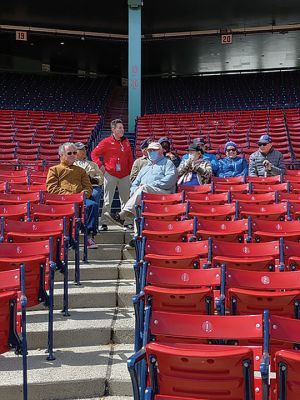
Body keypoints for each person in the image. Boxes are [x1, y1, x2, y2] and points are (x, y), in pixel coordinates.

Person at [104, 142, 178, 228]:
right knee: (138, 201)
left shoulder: (167, 163)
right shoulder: (145, 168)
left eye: (154, 150)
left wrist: (150, 185)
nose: (151, 152)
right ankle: (137, 236)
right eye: (149, 150)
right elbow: (135, 183)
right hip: (145, 195)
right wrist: (136, 190)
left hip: (163, 193)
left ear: (161, 151)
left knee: (143, 189)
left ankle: (122, 215)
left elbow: (170, 180)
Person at [46, 142, 99, 249]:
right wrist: (69, 196)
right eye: (69, 153)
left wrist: (83, 195)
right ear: (61, 155)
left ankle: (88, 235)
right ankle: (67, 238)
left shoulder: (81, 171)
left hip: (80, 199)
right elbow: (51, 188)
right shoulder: (54, 170)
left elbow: (88, 187)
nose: (73, 155)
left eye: (75, 153)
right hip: (63, 200)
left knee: (92, 205)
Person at [91, 119, 134, 231]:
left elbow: (130, 158)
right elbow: (94, 154)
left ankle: (127, 222)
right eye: (119, 128)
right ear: (113, 129)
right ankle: (104, 223)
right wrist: (100, 165)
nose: (122, 130)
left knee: (126, 200)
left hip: (124, 175)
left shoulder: (126, 141)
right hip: (110, 174)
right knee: (107, 200)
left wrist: (130, 172)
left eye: (123, 128)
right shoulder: (106, 142)